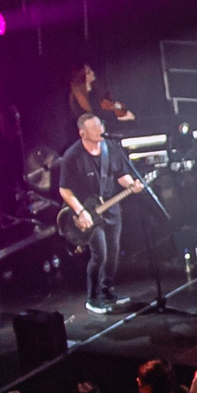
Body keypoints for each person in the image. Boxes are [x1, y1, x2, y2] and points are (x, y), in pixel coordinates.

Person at [59, 112, 139, 312]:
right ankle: (93, 297)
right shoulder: (72, 155)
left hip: (110, 207)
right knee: (100, 255)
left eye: (100, 125)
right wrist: (80, 211)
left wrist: (132, 185)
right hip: (86, 211)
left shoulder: (110, 148)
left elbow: (121, 174)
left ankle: (107, 291)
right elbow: (64, 189)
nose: (100, 130)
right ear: (82, 133)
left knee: (113, 252)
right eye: (94, 128)